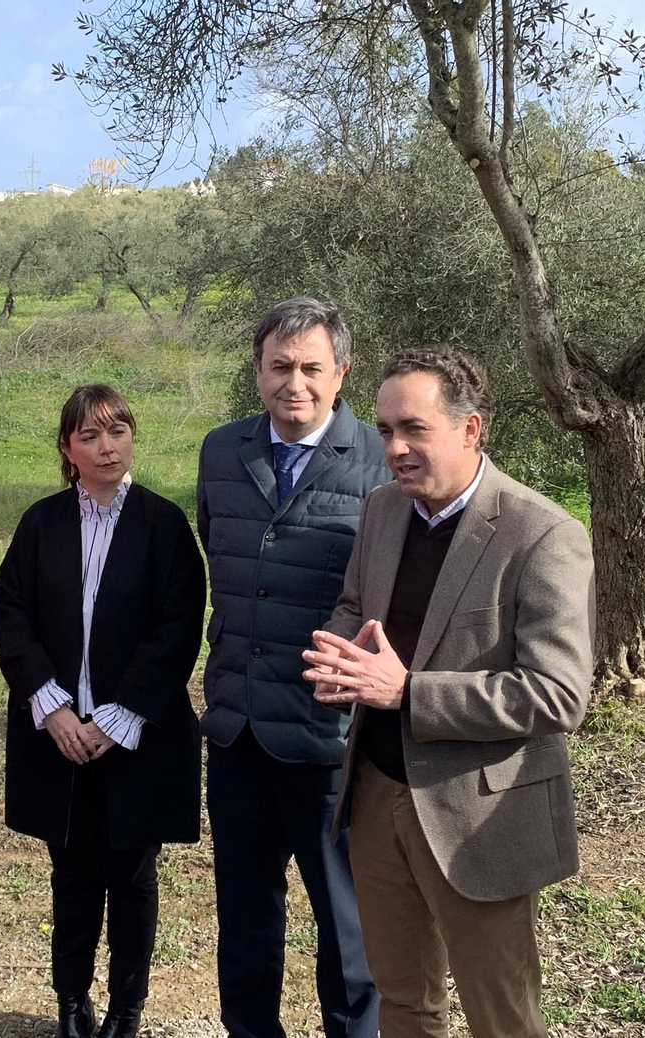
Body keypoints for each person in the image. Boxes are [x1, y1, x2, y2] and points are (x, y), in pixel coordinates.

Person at [306, 347, 596, 1038]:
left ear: (471, 430)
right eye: (384, 431)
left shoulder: (543, 534)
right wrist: (340, 654)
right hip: (377, 794)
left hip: (479, 817)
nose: (395, 448)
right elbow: (355, 604)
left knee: (502, 1015)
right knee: (403, 1002)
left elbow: (558, 694)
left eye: (413, 429)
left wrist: (407, 691)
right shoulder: (382, 510)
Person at [195, 298, 388, 1038]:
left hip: (328, 736)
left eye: (312, 368)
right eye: (280, 367)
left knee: (345, 926)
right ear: (257, 371)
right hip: (238, 727)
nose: (294, 383)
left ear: (341, 373)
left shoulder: (378, 459)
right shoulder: (222, 450)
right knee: (244, 917)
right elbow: (225, 558)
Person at [0, 385, 207, 1038]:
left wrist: (120, 718)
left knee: (134, 877)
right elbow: (10, 611)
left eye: (117, 430)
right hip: (57, 733)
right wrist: (51, 707)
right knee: (73, 874)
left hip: (135, 734)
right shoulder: (41, 524)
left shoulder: (164, 525)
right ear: (67, 448)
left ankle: (125, 1009)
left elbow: (178, 629)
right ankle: (71, 1003)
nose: (106, 445)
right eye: (89, 435)